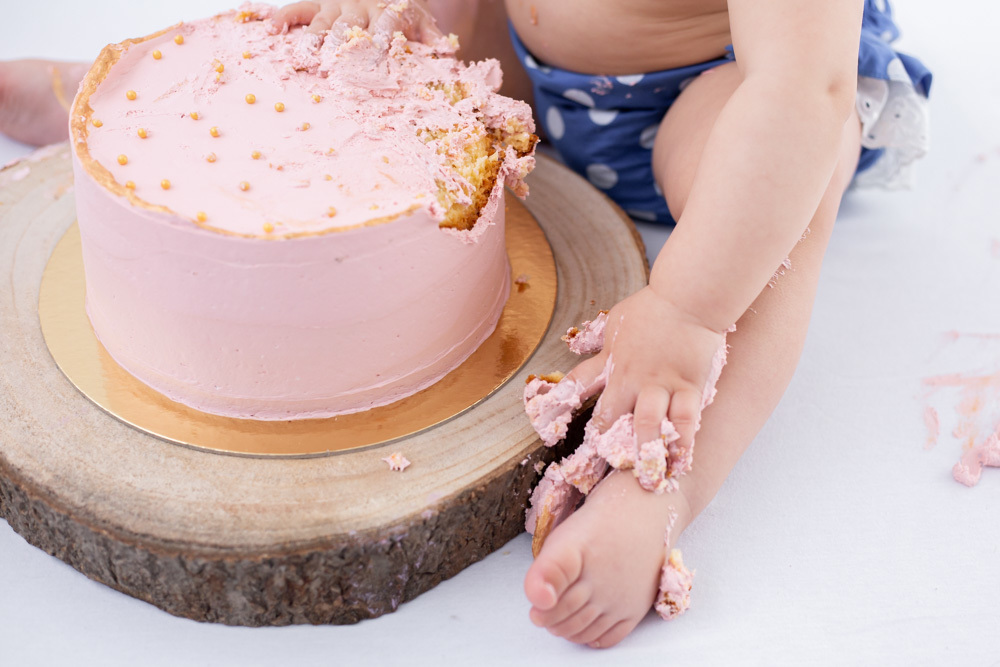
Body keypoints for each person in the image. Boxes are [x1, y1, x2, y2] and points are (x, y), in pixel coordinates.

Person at [0, 0, 930, 649]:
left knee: (782, 212)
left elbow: (801, 93)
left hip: (719, 101)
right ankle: (148, 105)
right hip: (528, 61)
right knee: (372, 28)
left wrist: (687, 308)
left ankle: (658, 487)